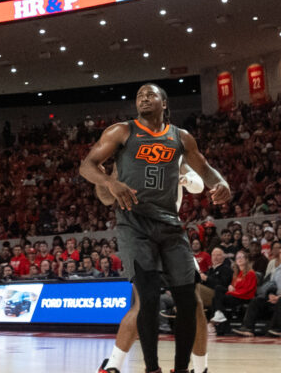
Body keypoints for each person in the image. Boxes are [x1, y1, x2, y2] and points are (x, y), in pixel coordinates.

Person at [81, 84, 230, 373]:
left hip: (171, 223)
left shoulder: (180, 138)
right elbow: (87, 165)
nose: (144, 98)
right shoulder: (122, 131)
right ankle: (145, 368)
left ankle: (187, 368)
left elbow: (204, 169)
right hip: (135, 223)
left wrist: (221, 183)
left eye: (150, 95)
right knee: (146, 299)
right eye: (139, 95)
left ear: (164, 103)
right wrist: (110, 182)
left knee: (189, 301)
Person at [95, 161, 213, 373]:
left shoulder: (174, 152)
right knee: (143, 303)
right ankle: (113, 365)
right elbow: (106, 198)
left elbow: (198, 184)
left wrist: (185, 179)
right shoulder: (126, 158)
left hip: (171, 233)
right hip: (140, 235)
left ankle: (200, 368)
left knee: (193, 303)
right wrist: (103, 179)